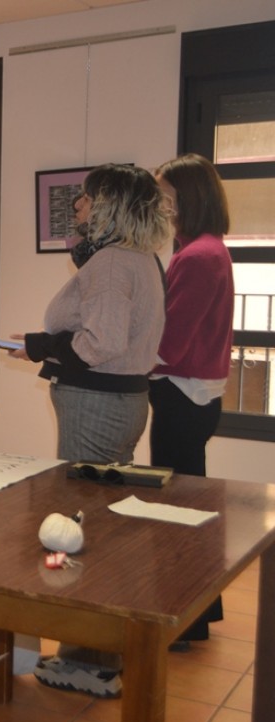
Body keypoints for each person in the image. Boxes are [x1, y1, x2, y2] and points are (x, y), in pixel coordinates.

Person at [7, 163, 172, 698]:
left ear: (107, 206)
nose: (76, 207)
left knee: (80, 531)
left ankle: (87, 660)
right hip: (123, 402)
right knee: (101, 523)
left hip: (97, 404)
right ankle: (99, 650)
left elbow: (99, 343)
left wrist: (39, 345)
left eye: (84, 198)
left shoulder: (109, 264)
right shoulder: (142, 258)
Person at [150, 153, 234, 646]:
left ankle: (185, 621)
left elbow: (170, 344)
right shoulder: (208, 249)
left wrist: (127, 359)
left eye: (166, 197)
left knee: (178, 515)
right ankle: (199, 616)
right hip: (195, 397)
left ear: (189, 198)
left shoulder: (197, 256)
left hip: (183, 396)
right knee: (189, 508)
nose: (161, 207)